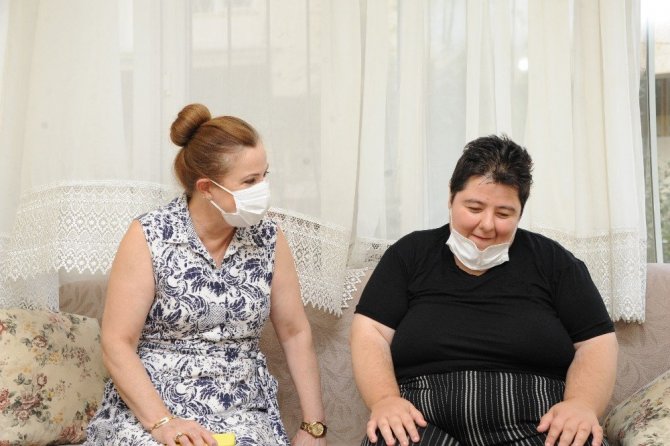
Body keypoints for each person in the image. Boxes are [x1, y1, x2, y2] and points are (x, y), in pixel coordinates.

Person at [350, 135, 618, 446]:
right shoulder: (409, 254)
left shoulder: (555, 262)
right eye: (474, 207)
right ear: (451, 198)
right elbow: (370, 332)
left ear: (520, 213)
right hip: (422, 428)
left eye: (504, 214)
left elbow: (596, 343)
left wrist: (581, 404)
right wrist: (385, 400)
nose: (487, 225)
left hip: (536, 428)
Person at [85, 104, 328, 446]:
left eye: (264, 175)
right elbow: (116, 342)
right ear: (207, 187)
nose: (263, 189)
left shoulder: (269, 239)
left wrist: (314, 427)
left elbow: (295, 332)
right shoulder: (150, 235)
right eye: (250, 181)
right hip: (153, 409)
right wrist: (163, 423)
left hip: (241, 410)